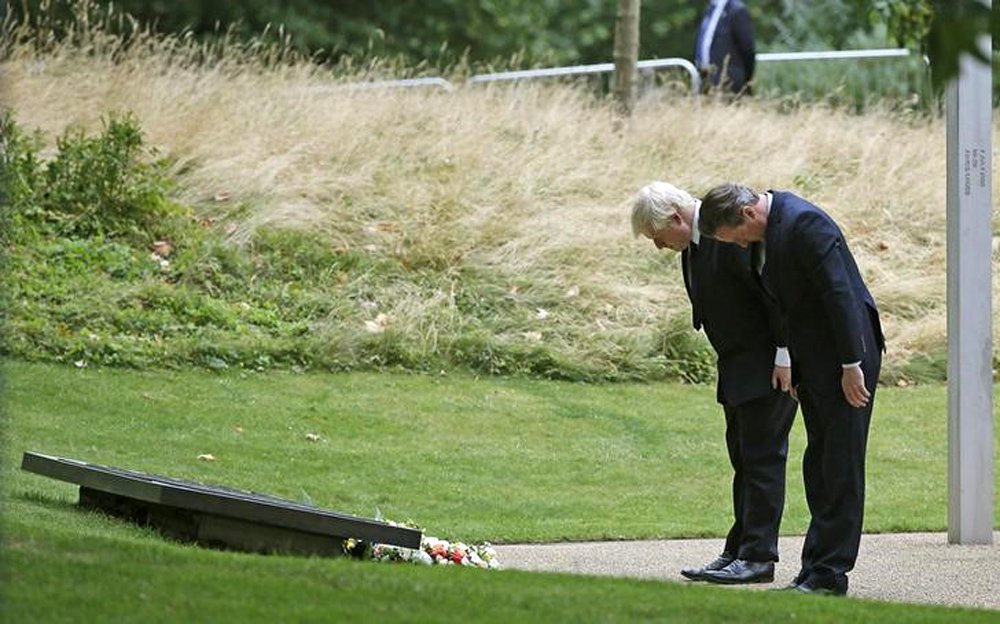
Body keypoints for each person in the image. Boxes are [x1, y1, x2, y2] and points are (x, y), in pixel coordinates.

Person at [697, 183, 884, 596]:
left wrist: (852, 365)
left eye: (738, 238)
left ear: (747, 215)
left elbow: (840, 296)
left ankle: (829, 574)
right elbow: (788, 307)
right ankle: (812, 570)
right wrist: (797, 369)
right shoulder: (768, 232)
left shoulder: (805, 224)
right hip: (816, 360)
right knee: (818, 464)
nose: (741, 246)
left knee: (839, 465)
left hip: (846, 358)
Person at [630, 181, 797, 585]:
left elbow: (775, 294)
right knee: (743, 457)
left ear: (674, 217)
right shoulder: (697, 243)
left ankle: (758, 556)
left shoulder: (729, 230)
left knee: (761, 459)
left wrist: (784, 354)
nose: (659, 247)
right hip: (736, 363)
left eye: (657, 237)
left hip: (766, 363)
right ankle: (739, 548)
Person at [693, 0, 756, 95]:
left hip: (728, 81)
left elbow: (747, 48)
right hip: (706, 78)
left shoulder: (736, 10)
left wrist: (744, 79)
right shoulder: (710, 9)